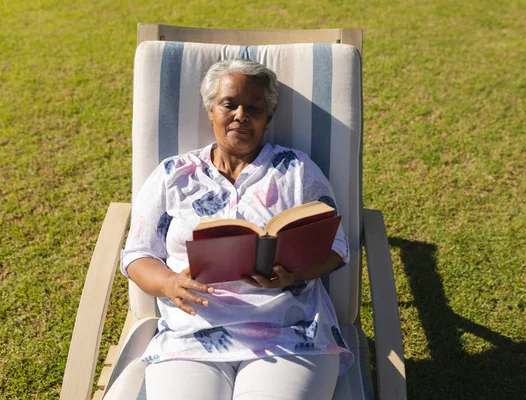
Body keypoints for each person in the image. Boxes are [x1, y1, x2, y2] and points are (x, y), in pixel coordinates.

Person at [121, 59, 353, 400]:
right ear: (211, 111)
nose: (241, 115)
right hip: (191, 334)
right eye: (229, 104)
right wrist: (169, 283)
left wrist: (294, 273)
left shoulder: (296, 170)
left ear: (267, 118)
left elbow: (336, 246)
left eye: (254, 108)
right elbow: (138, 253)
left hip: (291, 334)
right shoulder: (174, 174)